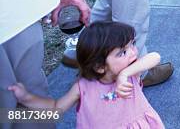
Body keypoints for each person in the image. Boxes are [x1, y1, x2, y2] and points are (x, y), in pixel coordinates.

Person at [9, 22, 164, 128]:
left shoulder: (131, 74)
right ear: (100, 66)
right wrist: (26, 98)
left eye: (132, 45)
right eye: (123, 52)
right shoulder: (83, 87)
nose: (133, 52)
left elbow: (155, 57)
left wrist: (124, 74)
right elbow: (56, 109)